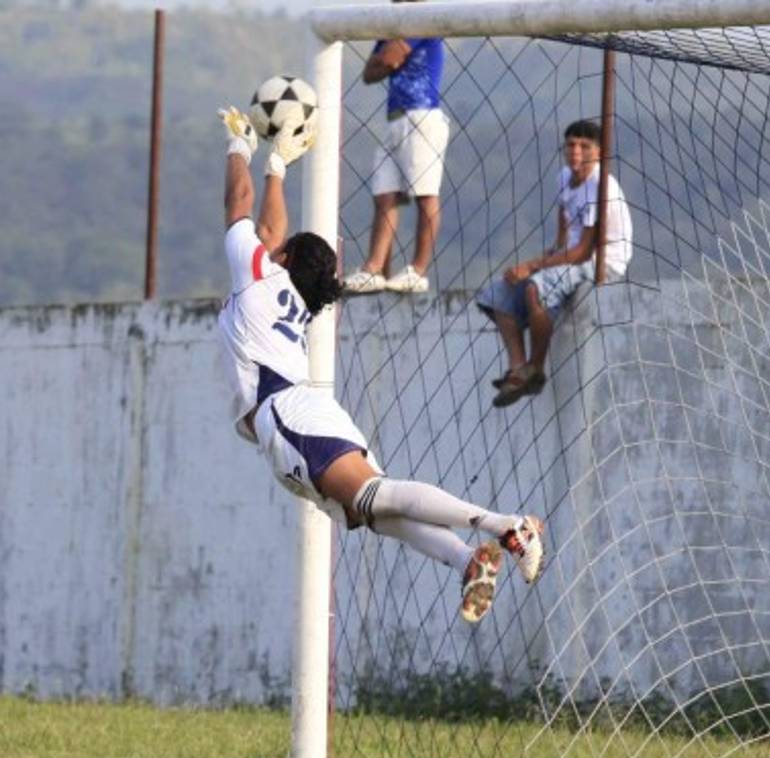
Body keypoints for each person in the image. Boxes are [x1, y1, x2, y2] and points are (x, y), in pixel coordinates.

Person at [216, 104, 542, 623]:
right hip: (304, 410)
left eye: (276, 248)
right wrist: (277, 163)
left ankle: (503, 526)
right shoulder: (289, 295)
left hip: (287, 413)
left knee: (375, 497)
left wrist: (241, 149)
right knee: (373, 510)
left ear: (282, 261)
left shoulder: (259, 278)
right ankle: (466, 561)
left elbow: (240, 206)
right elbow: (273, 230)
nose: (267, 242)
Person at [475, 120, 632, 408]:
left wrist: (535, 266)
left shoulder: (600, 185)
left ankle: (535, 367)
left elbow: (584, 251)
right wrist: (552, 252)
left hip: (602, 261)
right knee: (498, 294)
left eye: (585, 146)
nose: (576, 151)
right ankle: (518, 366)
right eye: (571, 144)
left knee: (536, 287)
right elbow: (564, 221)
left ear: (598, 152)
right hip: (571, 257)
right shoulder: (564, 177)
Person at [343, 0, 448, 295]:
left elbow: (388, 61)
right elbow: (371, 71)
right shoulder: (391, 29)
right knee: (385, 194)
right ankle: (375, 267)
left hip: (422, 114)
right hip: (394, 118)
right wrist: (388, 57)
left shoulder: (422, 20)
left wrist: (389, 58)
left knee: (425, 193)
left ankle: (418, 269)